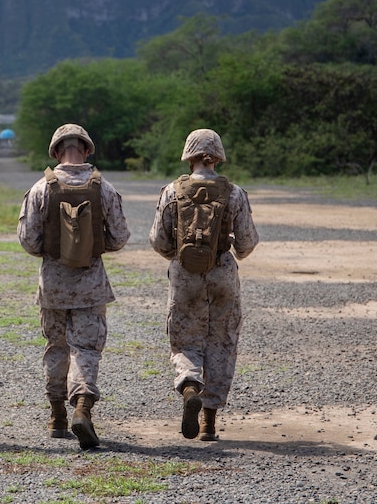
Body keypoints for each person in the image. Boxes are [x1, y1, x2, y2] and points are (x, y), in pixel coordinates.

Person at [17, 123, 130, 450]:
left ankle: (56, 417)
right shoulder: (103, 187)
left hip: (53, 285)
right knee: (87, 349)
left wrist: (54, 254)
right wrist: (94, 248)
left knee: (56, 346)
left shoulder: (41, 188)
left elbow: (28, 240)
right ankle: (82, 406)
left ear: (56, 152)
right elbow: (120, 236)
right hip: (91, 284)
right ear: (86, 149)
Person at [148, 129, 258, 441]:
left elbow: (157, 239)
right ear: (218, 156)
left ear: (189, 156)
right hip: (222, 272)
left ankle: (190, 385)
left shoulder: (172, 191)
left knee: (184, 338)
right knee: (221, 341)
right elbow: (247, 243)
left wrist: (181, 256)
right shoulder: (234, 193)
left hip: (184, 274)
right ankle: (209, 422)